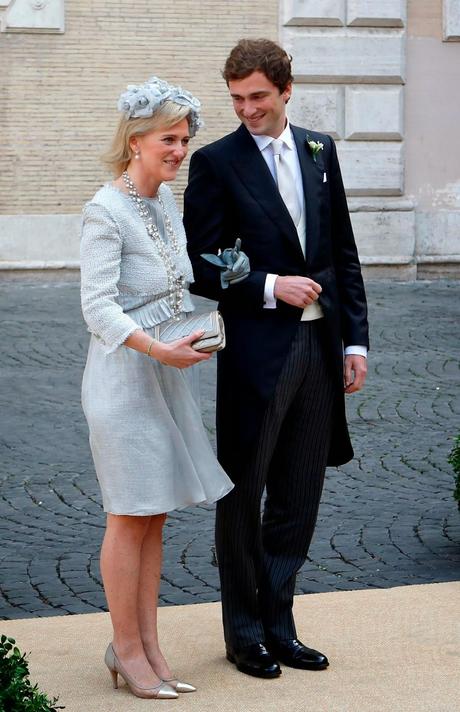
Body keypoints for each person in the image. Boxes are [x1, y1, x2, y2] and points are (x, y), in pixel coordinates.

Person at [183, 39, 369, 679]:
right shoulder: (216, 163)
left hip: (320, 347)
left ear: (287, 90)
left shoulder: (321, 150)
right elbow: (202, 265)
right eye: (236, 99)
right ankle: (244, 632)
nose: (247, 110)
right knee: (243, 490)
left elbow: (343, 251)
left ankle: (281, 623)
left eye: (258, 97)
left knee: (299, 491)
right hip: (257, 353)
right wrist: (268, 286)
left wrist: (354, 340)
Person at [80, 76, 233, 699]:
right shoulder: (105, 209)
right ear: (135, 141)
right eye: (169, 139)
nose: (180, 149)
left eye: (185, 139)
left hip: (167, 374)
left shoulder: (164, 203)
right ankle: (128, 650)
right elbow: (97, 306)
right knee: (128, 513)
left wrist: (197, 332)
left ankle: (147, 645)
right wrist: (157, 348)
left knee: (155, 516)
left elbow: (171, 288)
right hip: (122, 378)